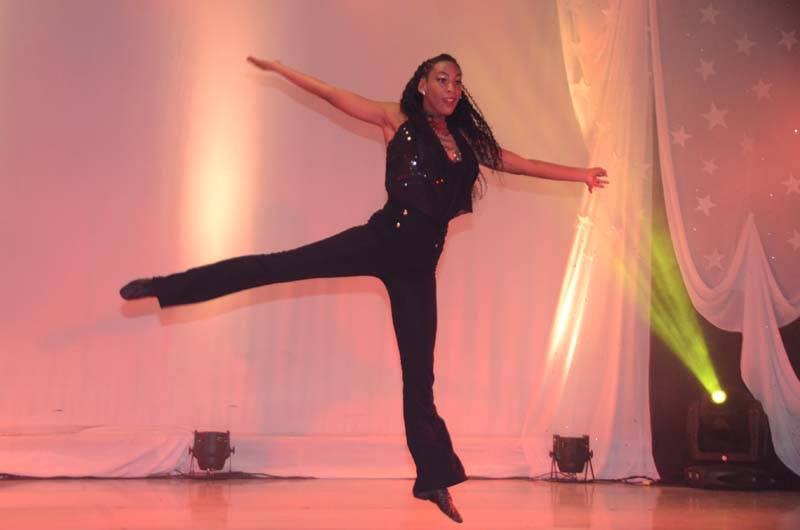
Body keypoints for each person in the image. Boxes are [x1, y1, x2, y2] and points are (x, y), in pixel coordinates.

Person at [120, 53, 608, 523]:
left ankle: (433, 479)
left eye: (458, 81)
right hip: (379, 241)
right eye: (442, 79)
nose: (452, 89)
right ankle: (165, 288)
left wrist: (580, 175)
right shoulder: (397, 118)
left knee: (420, 379)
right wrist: (283, 71)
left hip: (418, 270)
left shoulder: (463, 138)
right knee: (277, 266)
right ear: (423, 84)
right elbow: (335, 95)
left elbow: (518, 162)